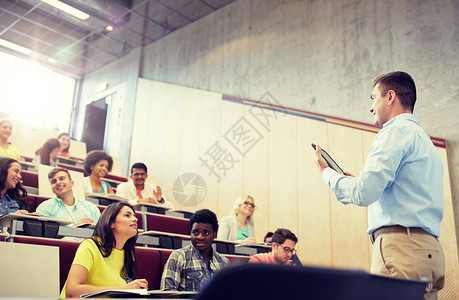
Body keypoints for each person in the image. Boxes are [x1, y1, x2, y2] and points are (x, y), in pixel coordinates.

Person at [313, 71, 445, 300]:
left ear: (390, 96)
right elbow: (401, 190)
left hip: (402, 251)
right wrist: (360, 180)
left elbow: (363, 192)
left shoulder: (394, 131)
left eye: (373, 98)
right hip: (429, 252)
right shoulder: (424, 140)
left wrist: (327, 174)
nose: (371, 107)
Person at [62, 201, 148, 298]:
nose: (135, 219)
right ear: (111, 223)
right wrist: (124, 289)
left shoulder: (128, 254)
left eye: (134, 216)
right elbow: (72, 291)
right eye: (127, 215)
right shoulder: (90, 246)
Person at [160, 209, 230, 291]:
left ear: (214, 234)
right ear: (190, 233)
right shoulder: (178, 257)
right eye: (195, 232)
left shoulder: (224, 262)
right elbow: (167, 293)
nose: (200, 237)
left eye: (206, 233)